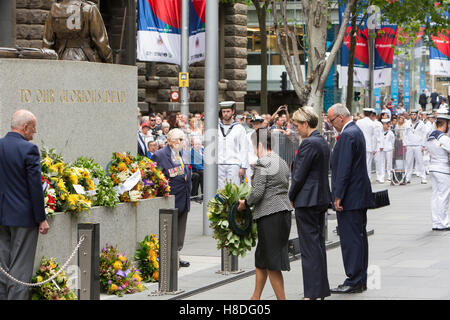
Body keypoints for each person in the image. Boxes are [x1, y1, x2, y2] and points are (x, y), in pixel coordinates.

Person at [0, 110, 50, 300]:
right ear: (25, 126)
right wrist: (41, 219)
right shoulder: (29, 149)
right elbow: (35, 187)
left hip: (1, 216)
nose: (35, 132)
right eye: (34, 127)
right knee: (21, 267)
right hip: (23, 218)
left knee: (2, 266)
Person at [237, 129, 293, 300]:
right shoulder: (281, 161)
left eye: (254, 147)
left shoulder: (263, 162)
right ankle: (255, 297)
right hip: (283, 213)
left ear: (260, 145)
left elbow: (258, 192)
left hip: (270, 216)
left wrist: (244, 204)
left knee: (272, 263)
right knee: (262, 259)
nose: (254, 151)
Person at [327, 103, 374, 294]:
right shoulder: (356, 131)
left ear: (340, 117)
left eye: (331, 121)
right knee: (359, 238)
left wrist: (338, 195)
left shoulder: (347, 135)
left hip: (350, 197)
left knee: (351, 239)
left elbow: (344, 168)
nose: (331, 125)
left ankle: (354, 279)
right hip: (357, 195)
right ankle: (359, 278)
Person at [289, 107, 331, 300]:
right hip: (320, 198)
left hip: (307, 200)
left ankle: (312, 293)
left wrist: (291, 196)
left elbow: (299, 176)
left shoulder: (309, 144)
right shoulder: (322, 141)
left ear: (306, 124)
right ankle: (320, 290)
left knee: (310, 248)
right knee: (318, 245)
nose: (296, 129)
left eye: (297, 125)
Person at [151, 129, 191, 268]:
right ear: (169, 141)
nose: (181, 142)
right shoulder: (160, 155)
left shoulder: (181, 154)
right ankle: (169, 257)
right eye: (178, 139)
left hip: (183, 196)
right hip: (171, 198)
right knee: (169, 228)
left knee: (180, 230)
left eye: (182, 139)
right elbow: (155, 177)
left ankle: (177, 255)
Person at [42, 0, 113, 63]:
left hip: (61, 60)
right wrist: (109, 62)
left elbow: (47, 44)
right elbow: (101, 43)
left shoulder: (54, 10)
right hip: (86, 60)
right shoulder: (90, 9)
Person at [425, 111, 450, 231]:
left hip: (433, 167)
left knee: (435, 196)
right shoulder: (443, 138)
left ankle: (436, 222)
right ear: (444, 124)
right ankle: (443, 223)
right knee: (443, 197)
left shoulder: (430, 137)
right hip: (443, 169)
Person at [217, 101, 248, 190]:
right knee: (221, 190)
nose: (226, 114)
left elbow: (244, 148)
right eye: (224, 112)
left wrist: (243, 166)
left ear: (233, 112)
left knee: (233, 190)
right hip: (219, 163)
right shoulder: (217, 127)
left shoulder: (239, 128)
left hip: (234, 163)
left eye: (228, 111)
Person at [404, 109, 427, 184]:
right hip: (409, 145)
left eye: (414, 114)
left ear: (417, 115)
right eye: (412, 114)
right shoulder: (407, 123)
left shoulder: (421, 123)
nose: (413, 116)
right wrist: (405, 144)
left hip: (418, 145)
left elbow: (424, 135)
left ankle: (423, 177)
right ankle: (407, 178)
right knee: (408, 162)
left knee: (420, 162)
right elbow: (405, 134)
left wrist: (423, 145)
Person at [356, 108, 378, 180]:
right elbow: (374, 137)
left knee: (360, 163)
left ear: (364, 113)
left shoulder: (358, 122)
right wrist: (374, 148)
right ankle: (367, 178)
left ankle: (360, 178)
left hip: (359, 145)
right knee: (368, 164)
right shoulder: (372, 123)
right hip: (369, 146)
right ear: (371, 114)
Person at [190, 138, 204, 203]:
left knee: (199, 175)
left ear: (201, 145)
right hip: (194, 170)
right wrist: (203, 169)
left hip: (201, 170)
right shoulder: (191, 153)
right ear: (193, 145)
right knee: (202, 174)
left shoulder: (203, 151)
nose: (198, 145)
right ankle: (203, 194)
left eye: (199, 144)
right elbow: (193, 164)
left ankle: (195, 195)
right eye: (196, 144)